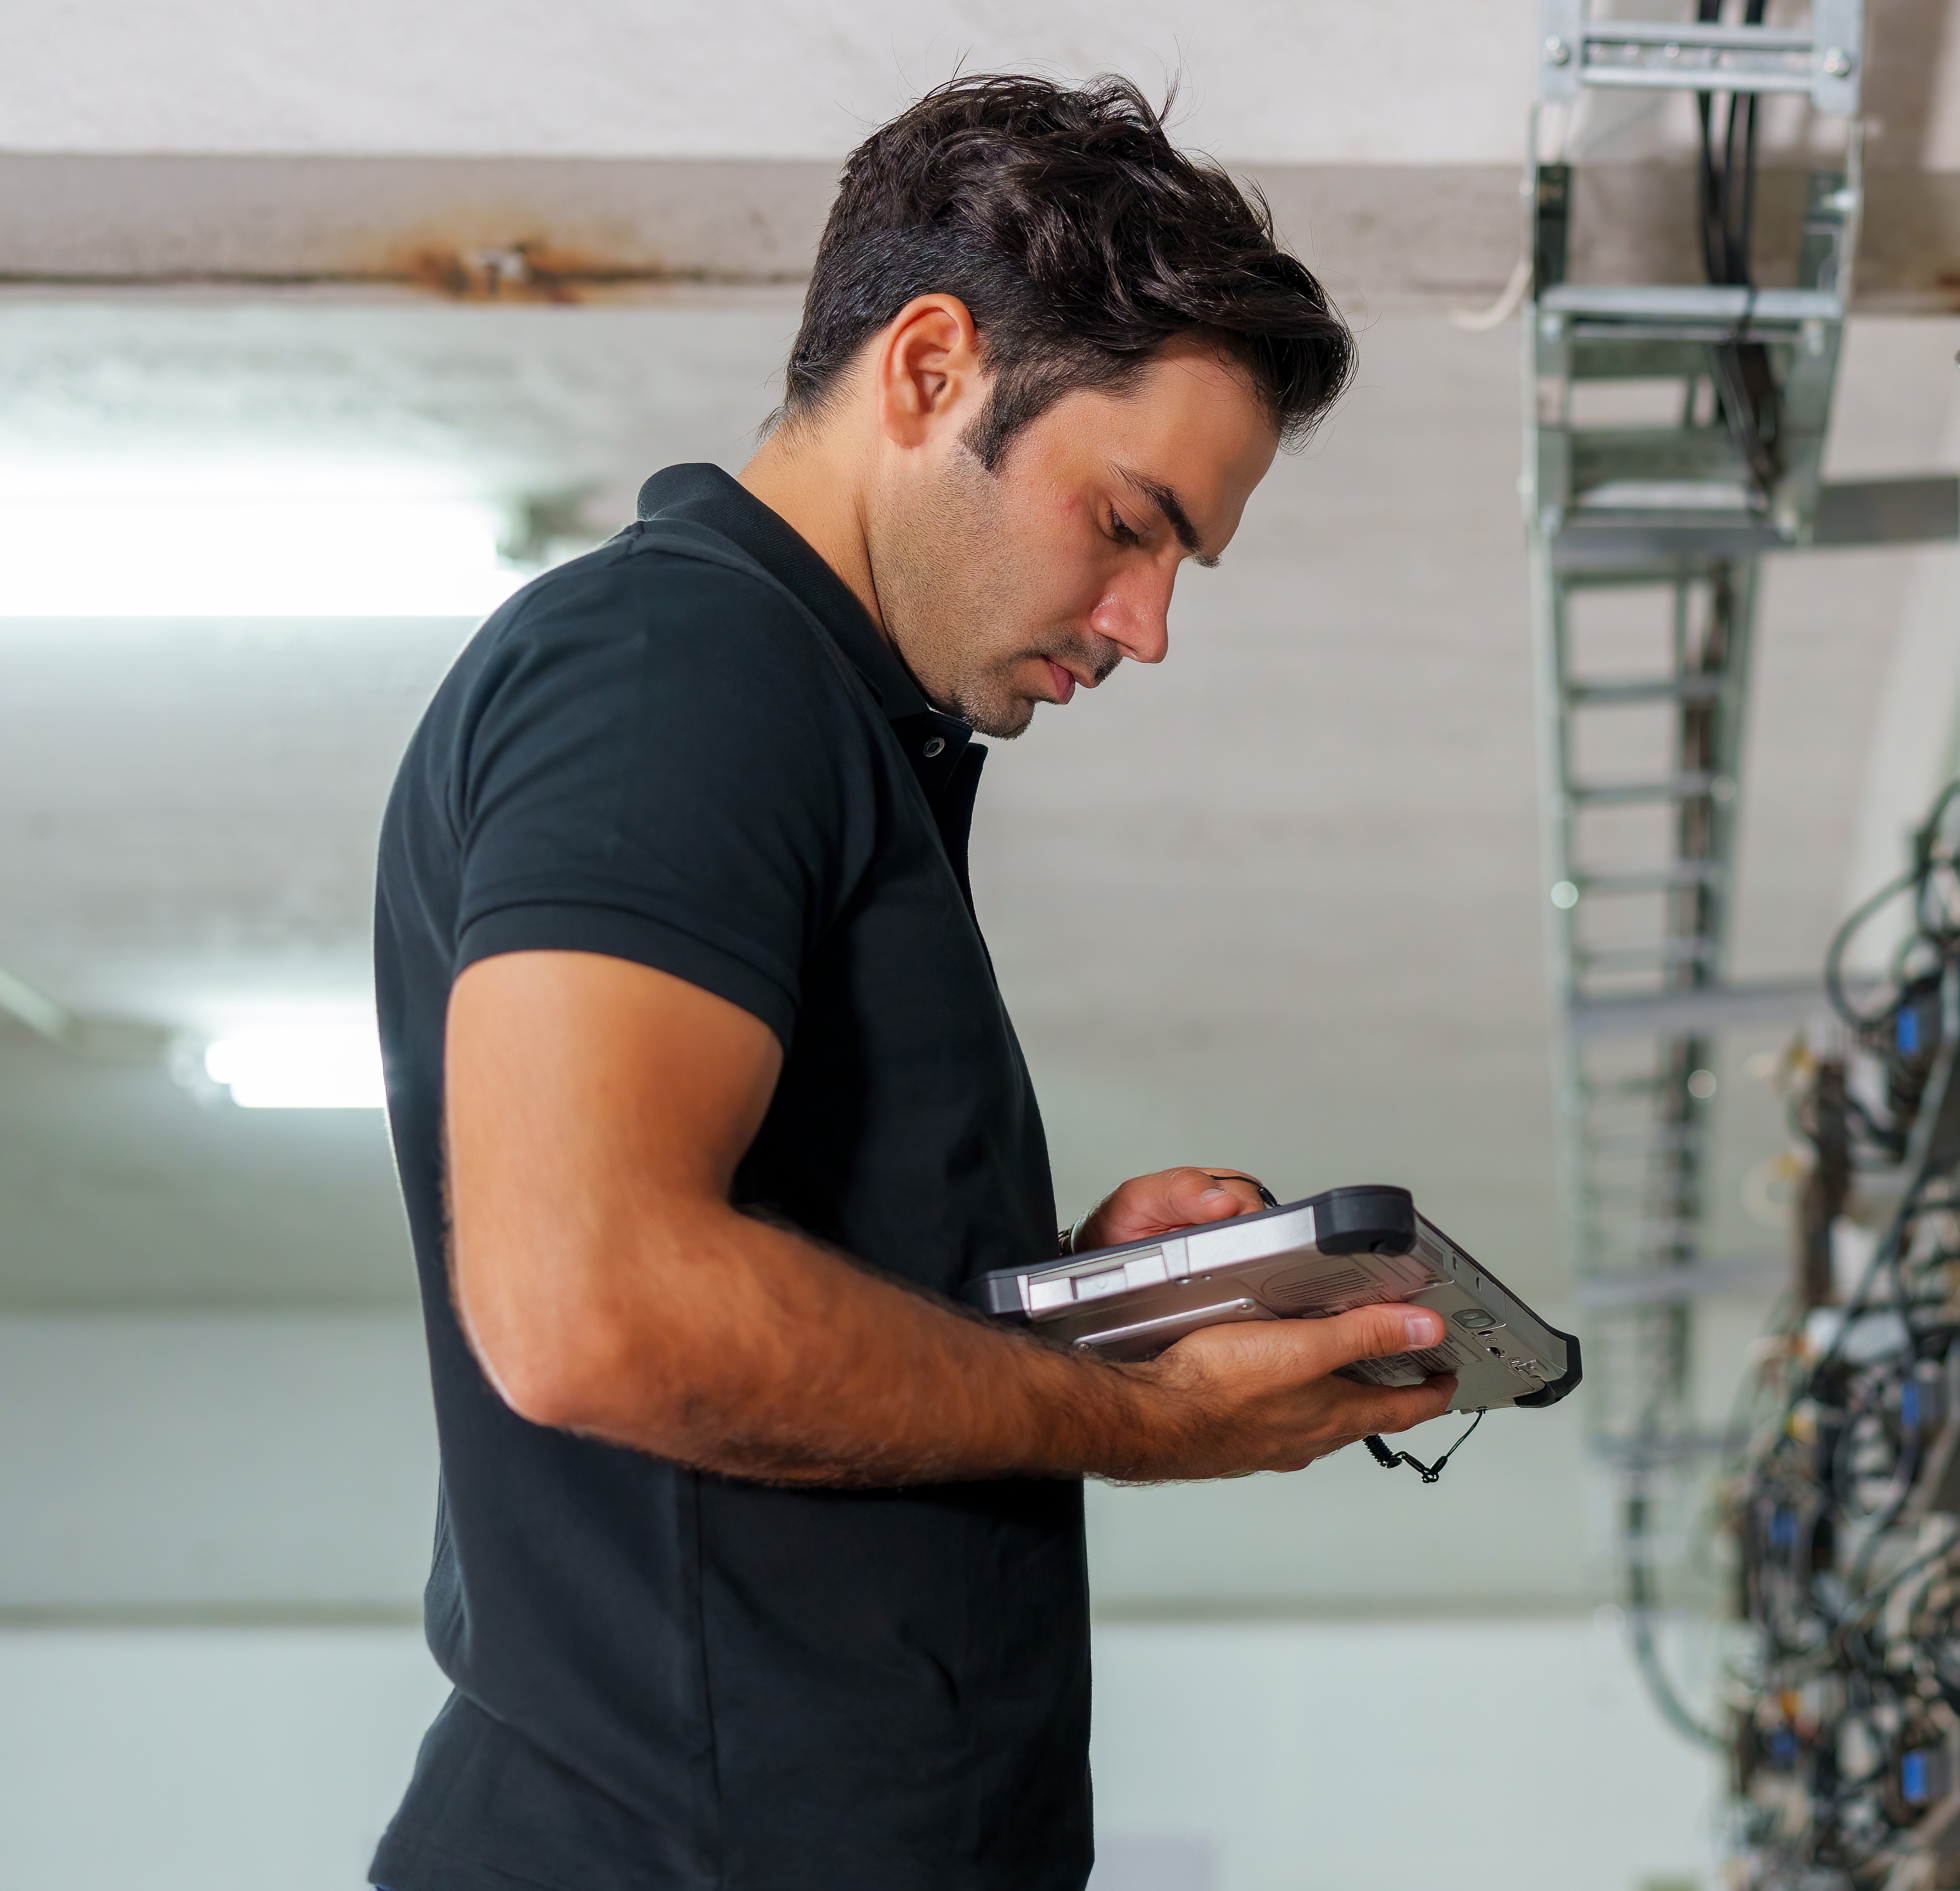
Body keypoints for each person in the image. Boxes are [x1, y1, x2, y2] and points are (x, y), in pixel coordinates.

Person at [365, 73, 1451, 1891]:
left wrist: (1058, 1312)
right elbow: (589, 1305)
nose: (1148, 622)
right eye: (1129, 520)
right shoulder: (673, 676)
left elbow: (756, 1301)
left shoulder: (830, 729)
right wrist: (1151, 1423)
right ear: (930, 369)